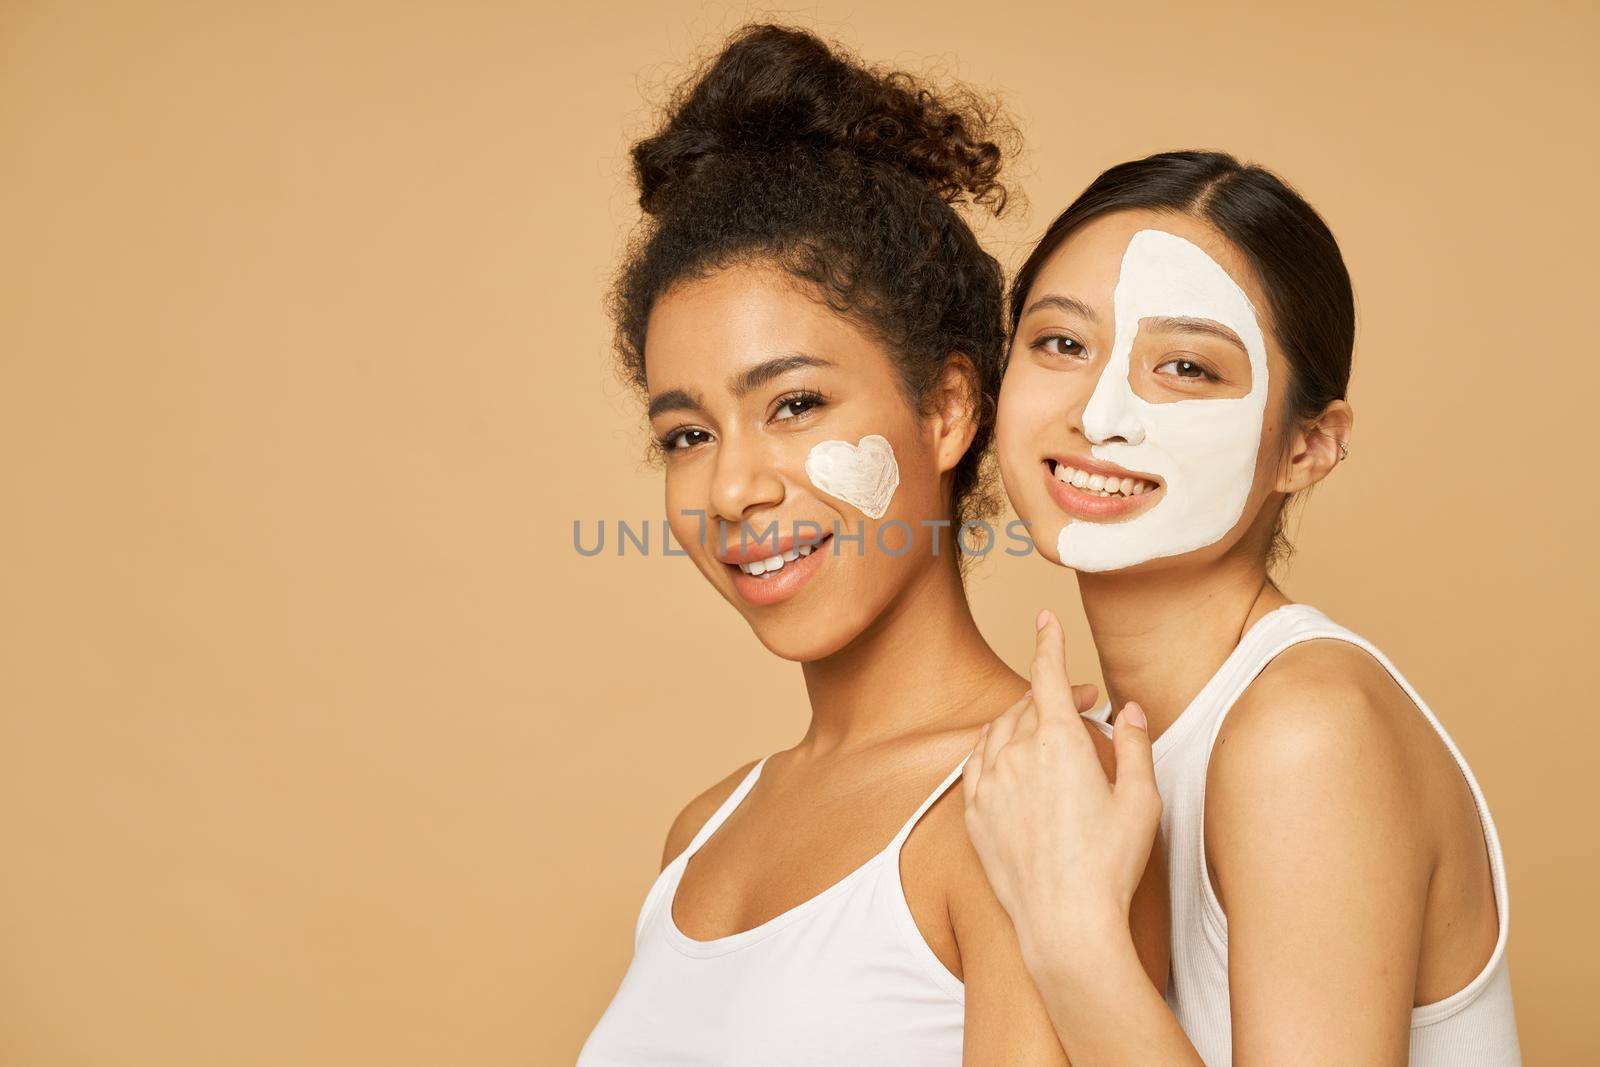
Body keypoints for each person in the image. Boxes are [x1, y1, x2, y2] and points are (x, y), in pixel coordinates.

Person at [577, 26, 1167, 1065]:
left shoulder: (1036, 798)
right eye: (686, 434)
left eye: (795, 403)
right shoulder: (702, 835)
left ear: (945, 409)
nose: (732, 487)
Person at [963, 150, 1521, 1064]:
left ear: (1307, 446)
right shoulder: (1081, 755)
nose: (1100, 412)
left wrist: (1067, 930)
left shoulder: (1307, 732)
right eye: (1061, 343)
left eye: (1184, 366)